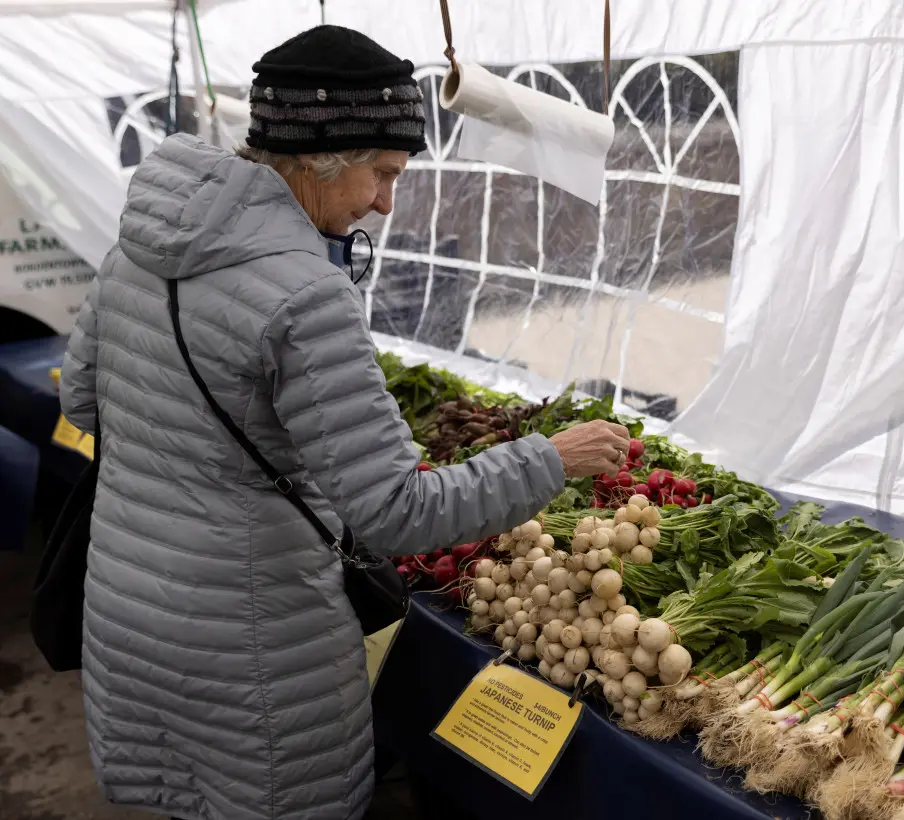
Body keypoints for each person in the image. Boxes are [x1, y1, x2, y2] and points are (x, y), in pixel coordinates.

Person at [58, 25, 629, 820]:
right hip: (255, 646)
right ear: (321, 158)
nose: (387, 201)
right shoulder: (304, 292)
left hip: (128, 608)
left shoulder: (137, 249)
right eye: (383, 172)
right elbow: (396, 512)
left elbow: (82, 403)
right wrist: (551, 459)